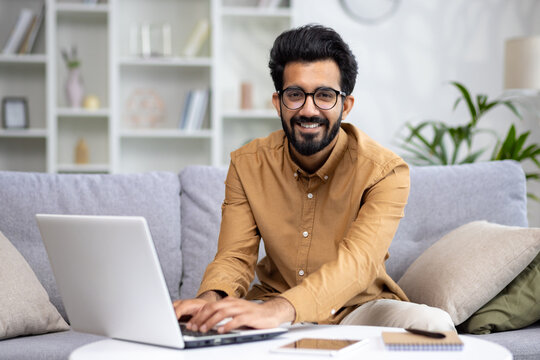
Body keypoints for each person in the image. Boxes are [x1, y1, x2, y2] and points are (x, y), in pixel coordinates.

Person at [173, 24, 454, 334]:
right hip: (270, 305)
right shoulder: (247, 164)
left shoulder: (385, 172)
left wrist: (282, 310)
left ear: (345, 106)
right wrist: (210, 300)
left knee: (434, 323)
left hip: (357, 308)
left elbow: (357, 264)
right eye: (295, 95)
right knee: (208, 326)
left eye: (324, 96)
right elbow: (235, 256)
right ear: (277, 102)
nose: (308, 110)